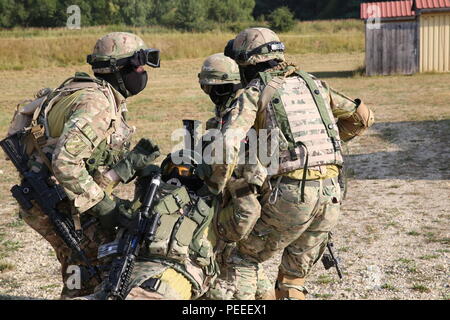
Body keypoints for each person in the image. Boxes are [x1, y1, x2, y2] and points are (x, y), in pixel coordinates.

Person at [200, 27, 375, 300]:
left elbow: (227, 144)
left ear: (247, 62)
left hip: (292, 196)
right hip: (332, 196)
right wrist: (326, 143)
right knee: (292, 279)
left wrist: (212, 186)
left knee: (240, 258)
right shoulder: (314, 83)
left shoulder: (256, 91)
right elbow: (363, 117)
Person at [4, 32, 161, 299]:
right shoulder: (95, 103)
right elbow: (65, 163)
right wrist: (106, 208)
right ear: (118, 69)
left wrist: (131, 165)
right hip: (54, 203)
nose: (143, 72)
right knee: (91, 272)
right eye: (138, 66)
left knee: (87, 271)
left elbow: (90, 159)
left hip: (60, 197)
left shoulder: (94, 92)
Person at [197, 53, 273, 300]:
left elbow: (245, 211)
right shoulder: (226, 113)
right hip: (242, 204)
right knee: (253, 271)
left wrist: (211, 189)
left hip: (245, 206)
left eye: (214, 87)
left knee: (230, 281)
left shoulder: (241, 115)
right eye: (206, 86)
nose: (210, 92)